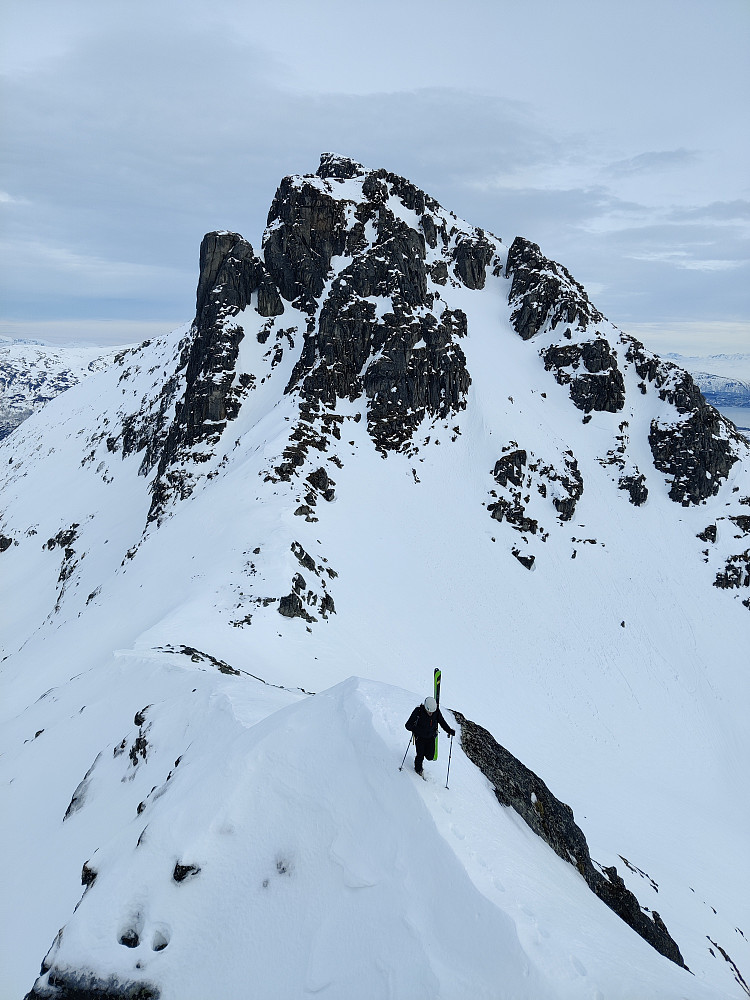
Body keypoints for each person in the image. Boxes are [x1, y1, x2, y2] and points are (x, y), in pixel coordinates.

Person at [405, 696, 455, 775]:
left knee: (430, 756)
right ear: (425, 707)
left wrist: (449, 730)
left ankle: (422, 755)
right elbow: (408, 725)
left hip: (430, 737)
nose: (431, 714)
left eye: (432, 712)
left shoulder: (436, 712)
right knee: (420, 755)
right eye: (429, 712)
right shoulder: (418, 711)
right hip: (420, 737)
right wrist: (416, 730)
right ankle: (418, 770)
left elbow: (442, 722)